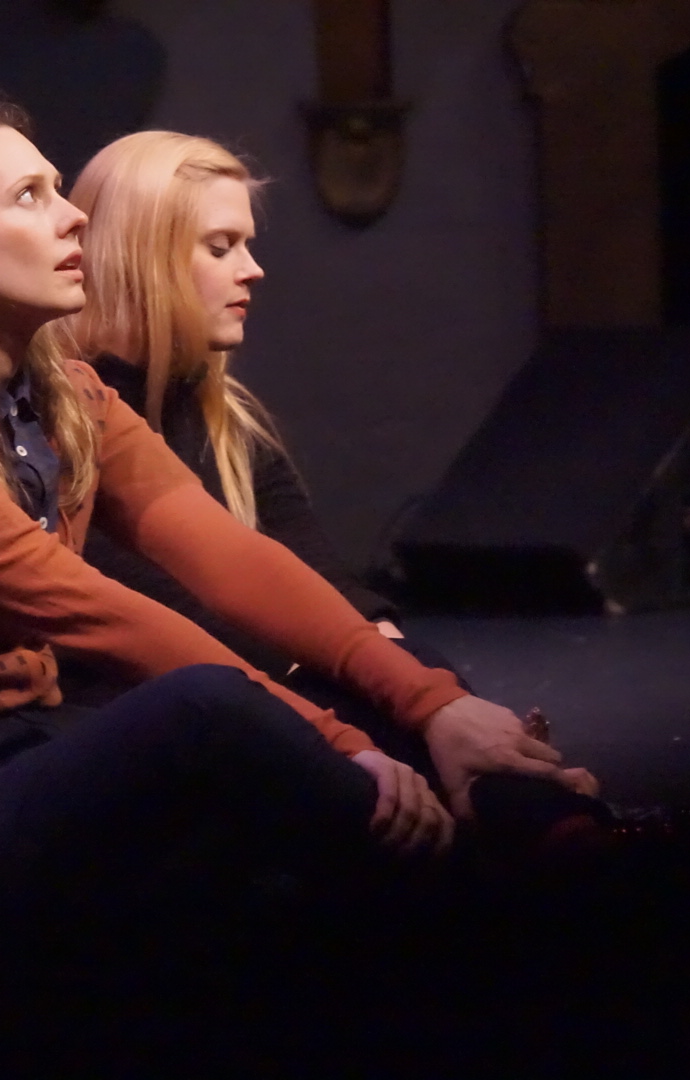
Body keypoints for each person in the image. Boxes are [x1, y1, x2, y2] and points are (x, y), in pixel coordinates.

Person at [0, 100, 599, 988]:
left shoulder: (68, 395)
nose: (72, 212)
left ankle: (549, 831)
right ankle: (495, 897)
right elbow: (79, 606)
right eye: (31, 196)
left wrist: (429, 705)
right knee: (210, 710)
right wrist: (340, 746)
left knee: (371, 678)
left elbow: (229, 555)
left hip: (37, 758)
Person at [56, 130, 608, 850]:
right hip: (147, 719)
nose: (252, 271)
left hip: (263, 697)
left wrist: (456, 715)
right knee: (348, 722)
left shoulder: (231, 425)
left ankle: (523, 800)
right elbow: (191, 631)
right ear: (141, 257)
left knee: (416, 670)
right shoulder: (59, 425)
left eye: (246, 245)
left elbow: (332, 594)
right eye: (220, 248)